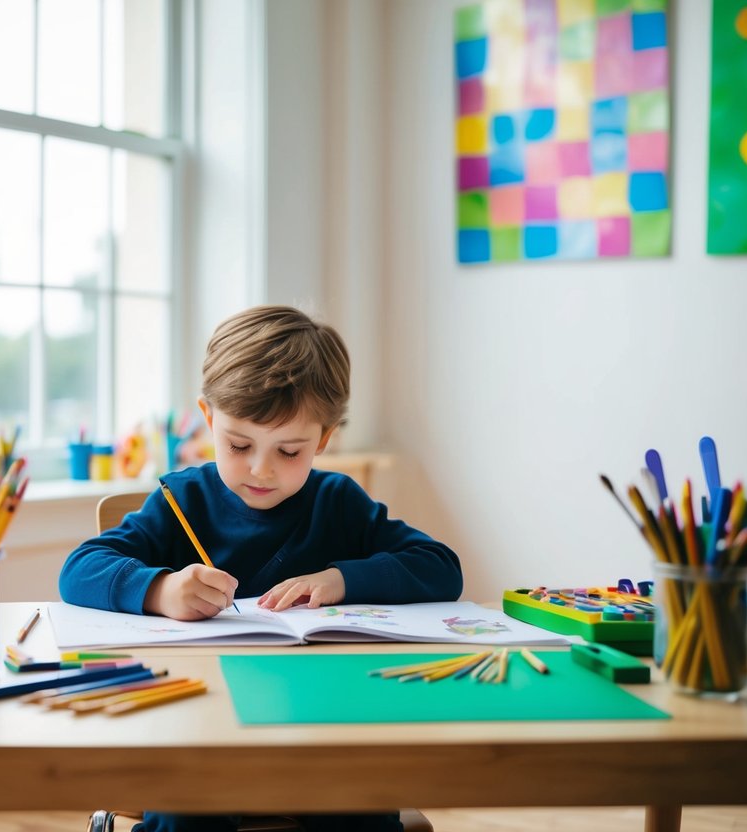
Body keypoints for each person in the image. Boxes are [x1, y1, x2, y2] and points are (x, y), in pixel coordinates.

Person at [59, 305, 462, 832]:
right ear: (209, 419)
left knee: (362, 810)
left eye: (290, 451)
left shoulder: (337, 502)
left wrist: (340, 579)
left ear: (323, 439)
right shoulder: (181, 498)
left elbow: (441, 567)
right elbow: (79, 568)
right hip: (196, 729)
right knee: (190, 815)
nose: (260, 469)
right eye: (238, 444)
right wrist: (160, 589)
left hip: (320, 732)